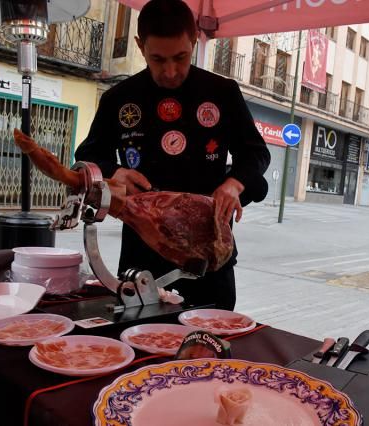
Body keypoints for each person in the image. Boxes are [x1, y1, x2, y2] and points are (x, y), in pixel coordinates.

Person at [74, 0, 271, 310]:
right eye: (157, 59)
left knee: (209, 345)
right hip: (143, 256)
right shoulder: (119, 98)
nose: (170, 71)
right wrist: (113, 170)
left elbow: (256, 153)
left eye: (181, 57)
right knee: (141, 341)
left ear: (193, 42)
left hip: (208, 256)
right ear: (140, 47)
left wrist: (234, 183)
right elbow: (88, 154)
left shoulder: (222, 92)